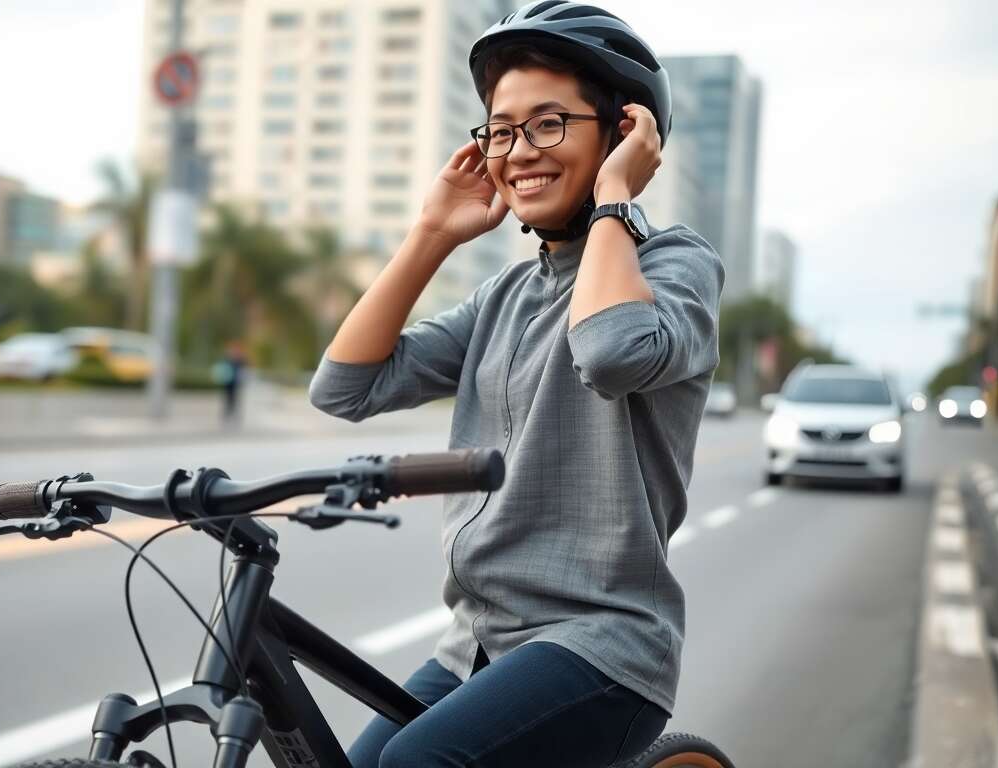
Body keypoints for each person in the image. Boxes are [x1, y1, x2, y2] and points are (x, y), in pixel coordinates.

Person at [307, 2, 725, 766]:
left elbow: (610, 351)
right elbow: (345, 388)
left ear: (623, 132)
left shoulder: (676, 264)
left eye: (548, 123)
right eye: (502, 130)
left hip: (602, 646)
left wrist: (614, 203)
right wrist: (431, 232)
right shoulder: (503, 296)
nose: (519, 149)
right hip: (477, 642)